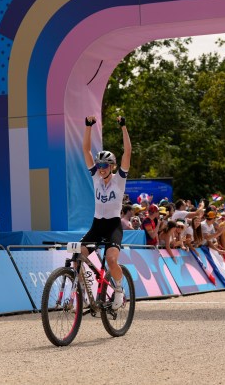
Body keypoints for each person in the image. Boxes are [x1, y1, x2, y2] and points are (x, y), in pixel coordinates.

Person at [81, 114, 131, 310]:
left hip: (112, 226)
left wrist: (123, 127)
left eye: (104, 165)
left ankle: (119, 289)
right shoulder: (95, 178)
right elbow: (85, 149)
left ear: (112, 167)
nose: (100, 168)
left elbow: (128, 151)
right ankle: (83, 292)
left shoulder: (119, 179)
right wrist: (88, 126)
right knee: (78, 258)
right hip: (96, 225)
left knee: (111, 259)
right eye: (99, 165)